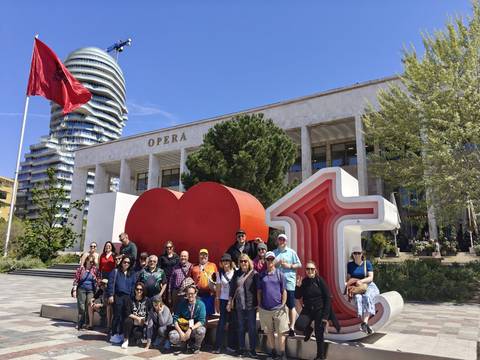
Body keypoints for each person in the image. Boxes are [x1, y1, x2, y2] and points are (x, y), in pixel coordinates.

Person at [295, 260, 331, 360]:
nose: (310, 271)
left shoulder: (320, 281)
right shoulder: (304, 281)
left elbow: (328, 298)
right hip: (307, 310)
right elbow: (297, 296)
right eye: (308, 269)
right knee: (298, 326)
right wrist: (297, 287)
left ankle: (320, 356)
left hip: (319, 310)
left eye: (312, 269)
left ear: (315, 270)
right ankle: (309, 329)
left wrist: (325, 317)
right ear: (305, 270)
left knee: (319, 334)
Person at [257, 251, 289, 360]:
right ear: (265, 260)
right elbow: (259, 291)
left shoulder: (280, 274)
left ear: (274, 260)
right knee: (269, 332)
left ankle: (282, 353)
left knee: (281, 332)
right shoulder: (261, 276)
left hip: (279, 309)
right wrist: (260, 304)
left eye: (271, 259)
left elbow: (284, 291)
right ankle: (273, 352)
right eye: (268, 259)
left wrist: (283, 304)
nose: (270, 261)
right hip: (265, 309)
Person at [229, 253, 258, 358]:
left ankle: (252, 349)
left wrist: (258, 303)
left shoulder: (254, 274)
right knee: (240, 327)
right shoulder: (236, 274)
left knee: (252, 328)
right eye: (241, 261)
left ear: (248, 261)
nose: (243, 263)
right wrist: (230, 301)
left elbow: (257, 290)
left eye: (245, 261)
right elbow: (232, 288)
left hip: (251, 305)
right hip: (239, 306)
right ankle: (241, 348)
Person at [346, 245, 379, 334]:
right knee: (358, 298)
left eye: (359, 253)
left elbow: (371, 277)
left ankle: (365, 322)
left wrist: (361, 281)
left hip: (368, 285)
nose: (357, 255)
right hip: (357, 287)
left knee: (367, 296)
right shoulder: (350, 265)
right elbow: (348, 278)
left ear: (362, 254)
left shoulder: (366, 263)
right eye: (355, 253)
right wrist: (350, 283)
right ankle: (364, 324)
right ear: (352, 254)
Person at [273, 233, 302, 337]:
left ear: (286, 241)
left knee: (291, 305)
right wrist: (277, 264)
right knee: (277, 306)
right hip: (276, 283)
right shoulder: (274, 252)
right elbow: (270, 266)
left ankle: (292, 327)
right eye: (280, 239)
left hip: (289, 282)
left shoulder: (291, 252)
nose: (281, 241)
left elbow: (299, 264)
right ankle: (279, 327)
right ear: (277, 240)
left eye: (283, 240)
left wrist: (289, 265)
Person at [107, 255, 137, 344]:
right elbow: (110, 284)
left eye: (128, 262)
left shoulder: (132, 273)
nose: (126, 264)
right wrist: (111, 295)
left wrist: (132, 298)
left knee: (125, 316)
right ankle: (114, 333)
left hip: (128, 297)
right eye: (125, 262)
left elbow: (133, 285)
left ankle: (121, 333)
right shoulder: (115, 271)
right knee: (117, 315)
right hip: (118, 296)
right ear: (121, 262)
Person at [169, 285, 207, 354]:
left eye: (192, 293)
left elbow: (202, 321)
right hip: (183, 328)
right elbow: (175, 319)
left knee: (201, 330)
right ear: (186, 294)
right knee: (172, 335)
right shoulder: (182, 304)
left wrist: (190, 329)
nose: (190, 295)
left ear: (195, 294)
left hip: (193, 329)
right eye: (188, 293)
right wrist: (181, 333)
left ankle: (196, 347)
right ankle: (182, 345)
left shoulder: (201, 304)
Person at [213, 253, 237, 354]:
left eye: (227, 261)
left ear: (230, 262)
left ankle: (231, 345)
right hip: (223, 300)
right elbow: (218, 288)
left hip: (234, 301)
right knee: (222, 323)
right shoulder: (219, 273)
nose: (225, 263)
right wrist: (217, 301)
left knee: (232, 323)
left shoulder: (236, 272)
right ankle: (218, 346)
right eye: (224, 261)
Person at [72, 255, 100, 330]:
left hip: (91, 290)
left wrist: (96, 279)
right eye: (90, 262)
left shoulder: (95, 270)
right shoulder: (81, 269)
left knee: (89, 306)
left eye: (92, 262)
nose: (91, 263)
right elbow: (76, 280)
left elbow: (98, 280)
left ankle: (87, 323)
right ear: (86, 261)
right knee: (81, 307)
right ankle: (80, 323)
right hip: (81, 289)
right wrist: (74, 290)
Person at [121, 282, 150, 349]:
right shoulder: (130, 299)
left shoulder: (147, 300)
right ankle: (126, 340)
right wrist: (138, 318)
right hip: (133, 322)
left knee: (137, 334)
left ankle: (138, 338)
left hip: (143, 323)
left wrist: (145, 321)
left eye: (141, 289)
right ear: (135, 290)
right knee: (127, 320)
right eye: (137, 289)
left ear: (143, 290)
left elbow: (150, 313)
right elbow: (127, 313)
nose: (139, 291)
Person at [191, 248, 217, 316]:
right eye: (201, 255)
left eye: (205, 255)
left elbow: (217, 279)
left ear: (208, 256)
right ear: (199, 256)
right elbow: (190, 280)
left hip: (209, 294)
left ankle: (205, 326)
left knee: (207, 314)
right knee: (198, 313)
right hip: (198, 294)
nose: (203, 256)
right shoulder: (194, 267)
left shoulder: (213, 265)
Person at [160, 241, 180, 307]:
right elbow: (159, 268)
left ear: (173, 248)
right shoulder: (162, 257)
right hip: (164, 278)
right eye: (167, 247)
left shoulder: (176, 257)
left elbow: (178, 268)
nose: (169, 249)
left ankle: (172, 310)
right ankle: (164, 309)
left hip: (173, 279)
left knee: (172, 295)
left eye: (170, 247)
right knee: (164, 295)